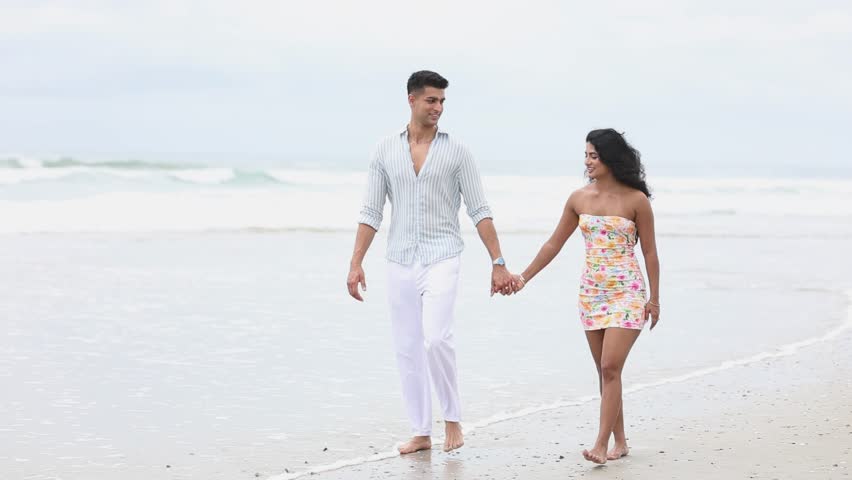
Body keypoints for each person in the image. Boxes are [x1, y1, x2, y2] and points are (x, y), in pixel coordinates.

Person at [346, 70, 516, 454]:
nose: (438, 107)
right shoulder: (384, 151)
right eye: (431, 100)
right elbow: (371, 211)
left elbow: (480, 209)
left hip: (443, 255)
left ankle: (453, 420)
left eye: (442, 101)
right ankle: (421, 432)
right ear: (411, 100)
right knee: (407, 346)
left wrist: (498, 261)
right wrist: (356, 263)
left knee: (437, 337)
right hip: (400, 258)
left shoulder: (457, 151)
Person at [508, 128, 660, 464]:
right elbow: (553, 244)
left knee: (610, 366)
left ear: (610, 158)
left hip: (628, 292)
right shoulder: (579, 199)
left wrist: (654, 299)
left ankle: (601, 446)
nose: (588, 162)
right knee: (605, 372)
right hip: (592, 292)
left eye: (594, 156)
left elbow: (649, 252)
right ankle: (620, 442)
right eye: (587, 155)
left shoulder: (636, 200)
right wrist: (524, 277)